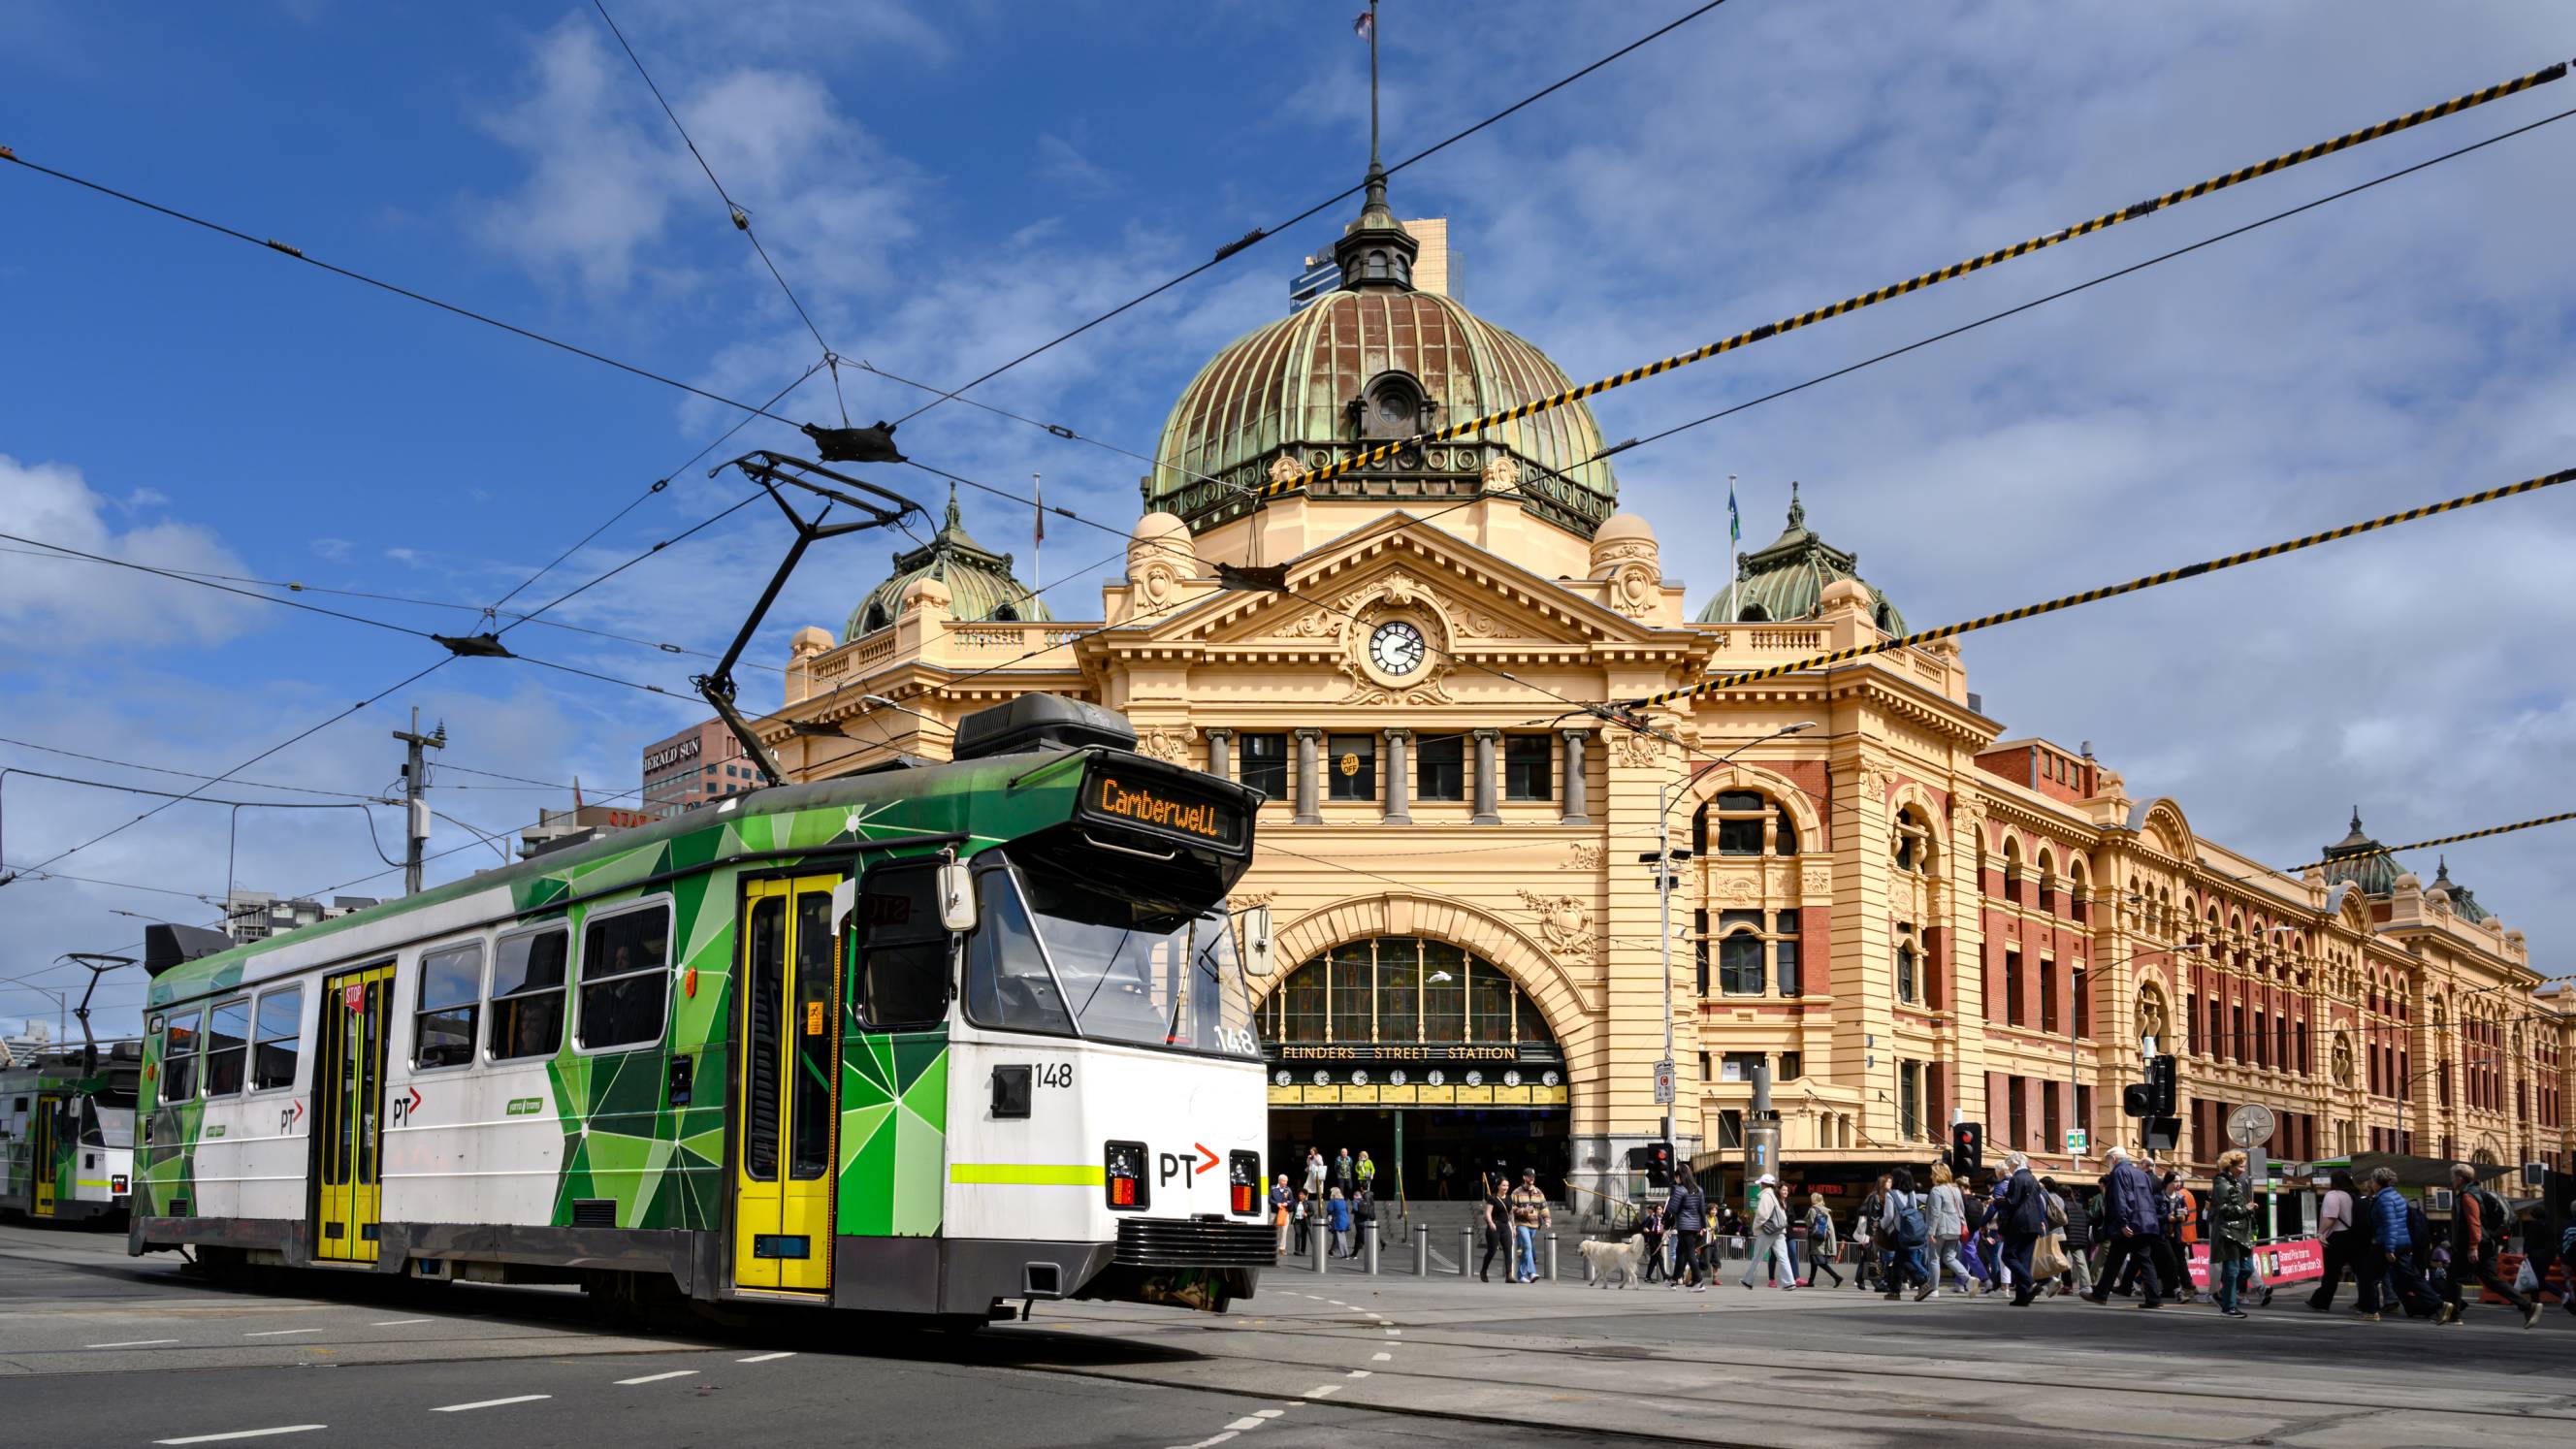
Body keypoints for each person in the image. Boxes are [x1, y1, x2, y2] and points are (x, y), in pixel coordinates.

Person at [2439, 1162, 2541, 1328]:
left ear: (2459, 1179)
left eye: (2452, 1177)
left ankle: (2454, 1315)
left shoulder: (2467, 1196)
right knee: (2490, 1279)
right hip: (2487, 1243)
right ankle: (2528, 1306)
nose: (2451, 1181)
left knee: (2454, 1277)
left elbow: (2473, 1223)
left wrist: (2473, 1247)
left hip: (2472, 1244)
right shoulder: (2479, 1192)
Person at [2087, 1145, 2168, 1308]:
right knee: (2143, 1260)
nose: (2107, 1163)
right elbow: (2147, 1198)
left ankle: (2101, 1294)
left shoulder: (2118, 1173)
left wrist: (2123, 1222)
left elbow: (2120, 1198)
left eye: (2108, 1161)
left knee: (2114, 1260)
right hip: (2145, 1222)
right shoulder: (2141, 1173)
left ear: (2114, 1159)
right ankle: (2153, 1298)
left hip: (2130, 1224)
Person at [2359, 1167, 2438, 1321]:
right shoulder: (2397, 1196)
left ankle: (2370, 1311)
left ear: (2378, 1182)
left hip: (2387, 1243)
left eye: (2373, 1181)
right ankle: (2439, 1304)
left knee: (2369, 1277)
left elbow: (2390, 1224)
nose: (2371, 1184)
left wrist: (2389, 1248)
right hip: (2403, 1242)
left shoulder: (2384, 1199)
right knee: (2410, 1277)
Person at [2208, 1150, 2257, 1317]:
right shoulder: (2222, 1183)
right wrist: (2246, 1208)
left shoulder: (2234, 1182)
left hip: (2239, 1233)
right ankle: (2229, 1306)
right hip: (2228, 1233)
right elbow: (2223, 1210)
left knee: (2246, 1268)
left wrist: (2246, 1209)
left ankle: (2223, 1295)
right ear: (2231, 1165)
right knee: (2233, 1270)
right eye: (2240, 1164)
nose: (2243, 1167)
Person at [2305, 1169, 2362, 1313]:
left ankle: (2321, 1302)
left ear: (2334, 1182)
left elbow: (2331, 1217)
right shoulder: (2354, 1196)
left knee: (2331, 1272)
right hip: (2354, 1237)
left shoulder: (2333, 1195)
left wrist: (2320, 1233)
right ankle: (2366, 1303)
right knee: (2360, 1272)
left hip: (2337, 1237)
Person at [1999, 1152, 2048, 1306]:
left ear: (2014, 1164)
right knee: (2024, 1259)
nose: (2009, 1170)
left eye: (2009, 1166)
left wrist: (1998, 1203)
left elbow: (2012, 1202)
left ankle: (2032, 1284)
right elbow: (2038, 1203)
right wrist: (2041, 1221)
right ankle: (2022, 1296)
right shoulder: (2033, 1178)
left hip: (2019, 1223)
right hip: (2034, 1223)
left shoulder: (2017, 1178)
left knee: (2008, 1255)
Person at [1882, 1167, 1932, 1300]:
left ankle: (1923, 1282)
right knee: (1899, 1261)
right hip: (1913, 1232)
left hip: (1899, 1233)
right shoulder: (1911, 1194)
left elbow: (1889, 1216)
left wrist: (1881, 1227)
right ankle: (1894, 1291)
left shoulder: (1890, 1194)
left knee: (1905, 1261)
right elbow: (1914, 1211)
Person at [1743, 1173, 1797, 1290]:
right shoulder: (1776, 1195)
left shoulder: (1766, 1195)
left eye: (1760, 1184)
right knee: (1783, 1257)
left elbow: (1763, 1214)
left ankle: (1748, 1280)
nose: (1759, 1186)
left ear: (1763, 1184)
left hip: (1768, 1231)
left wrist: (1756, 1226)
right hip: (1780, 1230)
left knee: (1757, 1256)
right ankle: (1789, 1282)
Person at [1927, 1162, 1974, 1297]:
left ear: (1937, 1174)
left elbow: (1935, 1212)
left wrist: (1931, 1232)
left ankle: (1934, 1289)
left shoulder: (1936, 1190)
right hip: (1955, 1228)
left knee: (1934, 1258)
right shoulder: (1955, 1189)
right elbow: (1961, 1209)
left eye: (1933, 1173)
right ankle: (1969, 1279)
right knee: (1950, 1257)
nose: (1931, 1176)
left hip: (1940, 1228)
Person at [1665, 1163, 1710, 1293]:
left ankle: (1699, 1281)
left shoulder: (1679, 1189)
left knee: (1690, 1253)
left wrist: (1665, 1224)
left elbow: (1671, 1208)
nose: (1676, 1180)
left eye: (1676, 1177)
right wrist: (1703, 1226)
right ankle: (1673, 1280)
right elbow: (1702, 1210)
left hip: (1684, 1226)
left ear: (1680, 1176)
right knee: (1680, 1252)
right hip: (1695, 1226)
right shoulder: (1699, 1189)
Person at [1509, 1168, 1552, 1284]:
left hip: (1534, 1225)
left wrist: (1547, 1219)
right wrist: (1523, 1210)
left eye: (1533, 1176)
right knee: (1527, 1246)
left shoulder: (1538, 1192)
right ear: (1524, 1177)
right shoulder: (1516, 1192)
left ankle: (1521, 1275)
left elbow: (1544, 1207)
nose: (1532, 1178)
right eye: (1529, 1176)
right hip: (1521, 1224)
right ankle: (1532, 1272)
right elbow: (1510, 1208)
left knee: (1526, 1251)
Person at [2053, 1179, 2094, 1298]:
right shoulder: (2080, 1206)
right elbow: (2088, 1219)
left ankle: (2063, 1285)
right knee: (2081, 1262)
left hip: (2066, 1236)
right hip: (2079, 1237)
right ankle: (2087, 1286)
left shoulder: (2062, 1206)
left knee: (2060, 1261)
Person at [1853, 1176, 1887, 1292]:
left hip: (1873, 1231)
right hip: (1873, 1232)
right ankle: (1877, 1282)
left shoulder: (1877, 1196)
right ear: (1882, 1184)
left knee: (1867, 1256)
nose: (1891, 1184)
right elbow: (1873, 1216)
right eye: (1888, 1182)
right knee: (1873, 1257)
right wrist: (1873, 1234)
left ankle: (1859, 1279)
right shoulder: (1875, 1197)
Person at [1803, 1193, 1845, 1286]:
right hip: (1824, 1239)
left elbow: (1811, 1224)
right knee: (1814, 1261)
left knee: (1819, 1262)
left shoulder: (1813, 1210)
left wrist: (1806, 1221)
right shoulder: (1825, 1211)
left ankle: (1837, 1277)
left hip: (1815, 1240)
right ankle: (1810, 1282)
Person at [1478, 1181, 1508, 1282]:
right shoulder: (1492, 1198)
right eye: (1503, 1185)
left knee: (1508, 1250)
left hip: (1505, 1226)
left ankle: (1509, 1275)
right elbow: (1488, 1212)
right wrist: (1491, 1222)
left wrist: (1514, 1227)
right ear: (1499, 1186)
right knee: (1492, 1251)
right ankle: (1483, 1270)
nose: (1506, 1187)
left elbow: (1511, 1213)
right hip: (1494, 1226)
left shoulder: (1509, 1198)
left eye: (1507, 1185)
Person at [1639, 1200, 1667, 1284]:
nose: (1659, 1210)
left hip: (1659, 1238)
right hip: (1653, 1238)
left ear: (1663, 1210)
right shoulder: (1652, 1218)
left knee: (1655, 1259)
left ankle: (1648, 1277)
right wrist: (1647, 1230)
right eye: (1657, 1209)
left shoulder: (1664, 1218)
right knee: (1658, 1257)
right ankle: (1665, 1276)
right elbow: (1643, 1227)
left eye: (1660, 1209)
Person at [1327, 1186, 1353, 1259]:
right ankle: (1338, 1252)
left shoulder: (1333, 1201)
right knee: (1340, 1237)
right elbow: (1347, 1211)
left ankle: (1345, 1254)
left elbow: (1329, 1209)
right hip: (1345, 1220)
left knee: (1341, 1238)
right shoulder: (1343, 1201)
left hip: (1338, 1221)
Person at [1272, 1174, 1294, 1256]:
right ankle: (1272, 1246)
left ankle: (1282, 1248)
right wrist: (1277, 1203)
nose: (1285, 1183)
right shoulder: (1273, 1188)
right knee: (1274, 1230)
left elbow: (1292, 1200)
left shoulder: (1288, 1189)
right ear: (1280, 1181)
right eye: (1284, 1181)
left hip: (1284, 1212)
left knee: (1284, 1231)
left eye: (1286, 1181)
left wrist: (1286, 1203)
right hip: (1274, 1212)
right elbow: (1270, 1199)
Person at [1292, 1189, 1311, 1256]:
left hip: (1305, 1221)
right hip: (1296, 1221)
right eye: (1299, 1194)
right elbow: (1290, 1208)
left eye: (1302, 1194)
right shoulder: (1295, 1202)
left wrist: (1307, 1214)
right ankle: (1296, 1250)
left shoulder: (1308, 1203)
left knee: (1303, 1236)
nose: (1300, 1195)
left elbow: (1312, 1212)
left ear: (1305, 1196)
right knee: (1297, 1233)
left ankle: (1303, 1250)